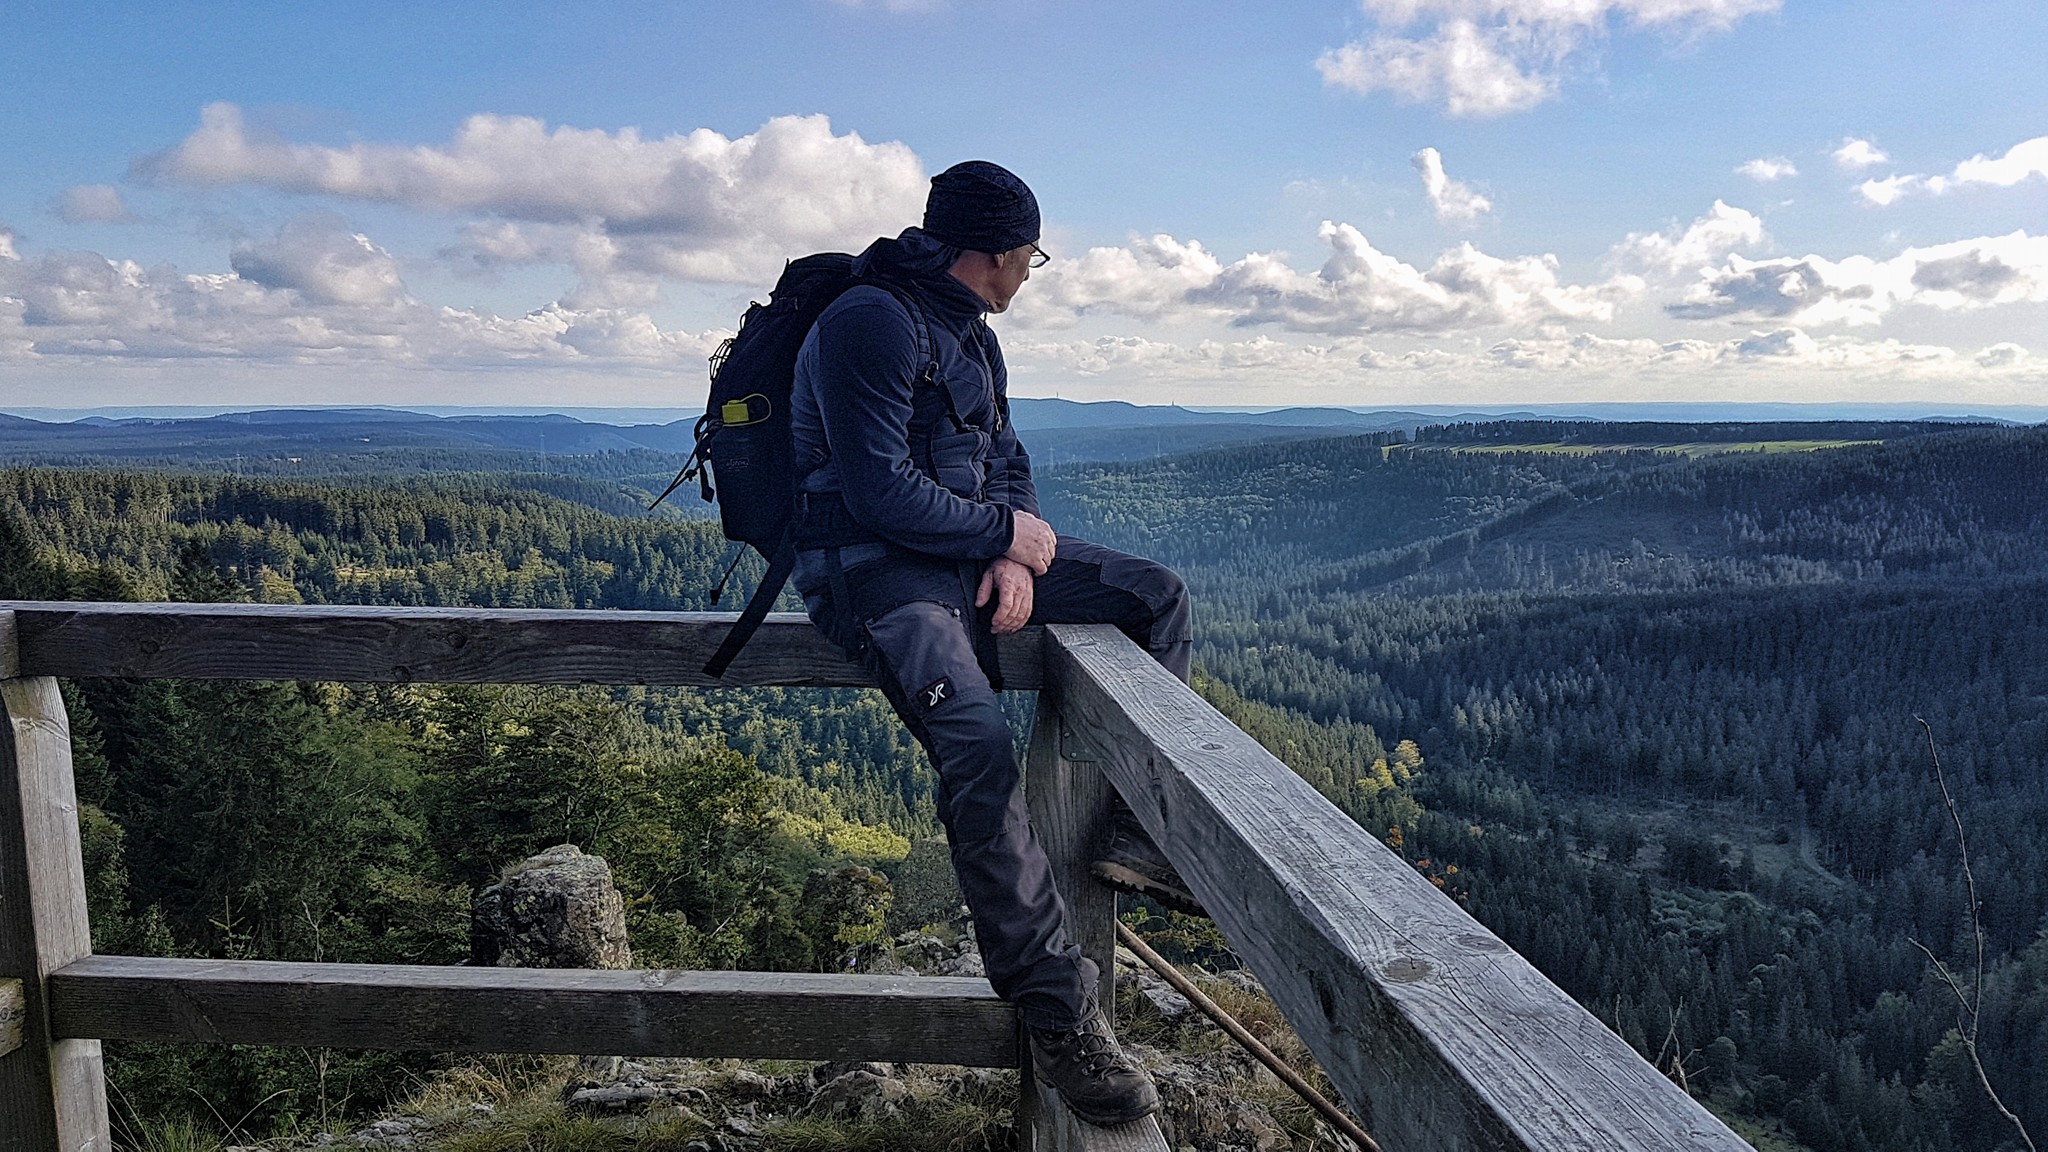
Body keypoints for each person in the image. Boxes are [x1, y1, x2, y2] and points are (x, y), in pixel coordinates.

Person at [787, 160, 1200, 1126]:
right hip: (878, 574)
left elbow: (1004, 459)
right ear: (994, 251)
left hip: (967, 559)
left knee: (1154, 598)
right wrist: (1000, 536)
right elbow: (877, 489)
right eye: (1030, 258)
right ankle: (1060, 1020)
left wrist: (1014, 551)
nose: (1029, 276)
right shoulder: (871, 321)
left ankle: (1134, 837)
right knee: (974, 746)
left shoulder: (969, 333)